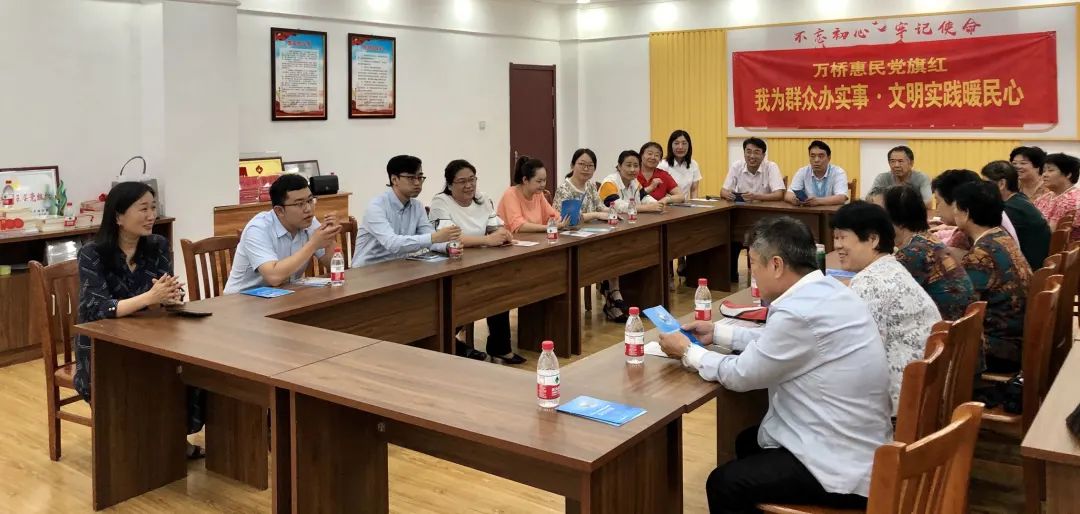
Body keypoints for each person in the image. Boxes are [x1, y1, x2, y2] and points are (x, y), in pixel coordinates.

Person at [658, 216, 891, 513]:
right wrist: (717, 333)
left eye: (754, 264)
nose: (752, 273)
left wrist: (687, 352)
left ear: (777, 265)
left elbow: (742, 374)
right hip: (858, 441)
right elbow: (777, 343)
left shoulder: (798, 312)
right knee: (747, 442)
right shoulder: (829, 291)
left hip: (840, 465)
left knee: (724, 483)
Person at [76, 182, 206, 458]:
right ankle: (134, 450)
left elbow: (163, 290)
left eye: (153, 208)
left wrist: (170, 296)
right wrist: (150, 296)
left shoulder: (157, 245)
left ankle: (172, 438)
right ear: (118, 216)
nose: (151, 216)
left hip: (150, 333)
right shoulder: (92, 253)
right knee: (128, 379)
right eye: (143, 209)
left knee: (191, 369)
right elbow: (100, 307)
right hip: (101, 343)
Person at [832, 201, 942, 415]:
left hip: (900, 404)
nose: (837, 245)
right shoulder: (891, 267)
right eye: (835, 237)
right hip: (924, 392)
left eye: (842, 237)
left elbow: (858, 355)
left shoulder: (869, 282)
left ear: (873, 239)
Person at [429, 159, 521, 363]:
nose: (469, 185)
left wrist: (502, 234)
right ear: (450, 184)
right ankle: (449, 343)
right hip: (452, 263)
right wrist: (487, 240)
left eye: (472, 179)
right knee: (464, 299)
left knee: (499, 286)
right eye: (462, 181)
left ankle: (500, 347)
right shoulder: (441, 202)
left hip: (480, 261)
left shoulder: (482, 199)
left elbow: (495, 227)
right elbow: (448, 238)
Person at [952, 181, 1032, 373]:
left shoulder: (981, 254)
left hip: (1001, 348)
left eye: (955, 208)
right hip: (1017, 335)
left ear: (966, 213)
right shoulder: (1001, 237)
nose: (954, 213)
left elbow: (962, 308)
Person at [224, 174, 342, 294]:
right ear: (279, 211)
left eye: (310, 200)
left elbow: (335, 267)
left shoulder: (309, 222)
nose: (308, 209)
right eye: (299, 204)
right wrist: (313, 244)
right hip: (243, 300)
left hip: (283, 295)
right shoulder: (258, 228)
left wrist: (329, 236)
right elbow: (273, 277)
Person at [883, 185, 975, 321]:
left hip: (941, 327)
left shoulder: (914, 253)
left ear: (898, 221)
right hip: (958, 325)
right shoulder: (929, 240)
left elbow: (883, 294)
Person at [981, 160, 1051, 268]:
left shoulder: (1009, 210)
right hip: (1037, 265)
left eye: (986, 184)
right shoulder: (1019, 200)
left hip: (1029, 269)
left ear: (1001, 184)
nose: (982, 189)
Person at [930, 169, 1019, 253]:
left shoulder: (978, 244)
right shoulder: (991, 222)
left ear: (956, 202)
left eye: (938, 201)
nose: (937, 209)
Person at [497, 156, 570, 233]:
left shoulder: (538, 194)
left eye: (544, 180)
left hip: (535, 239)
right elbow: (519, 226)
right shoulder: (510, 194)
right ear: (525, 180)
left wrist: (562, 220)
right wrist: (549, 227)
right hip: (513, 239)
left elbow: (552, 215)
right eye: (539, 181)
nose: (543, 184)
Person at [552, 148, 608, 225]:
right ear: (572, 166)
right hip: (569, 230)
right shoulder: (564, 189)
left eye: (590, 165)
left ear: (594, 169)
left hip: (591, 229)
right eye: (582, 164)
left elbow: (600, 207)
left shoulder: (591, 185)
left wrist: (613, 211)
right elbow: (571, 218)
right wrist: (596, 215)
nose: (586, 168)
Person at [785, 140, 849, 206]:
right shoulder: (802, 172)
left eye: (821, 156)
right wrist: (794, 199)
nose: (816, 160)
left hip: (833, 212)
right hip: (808, 211)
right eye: (812, 156)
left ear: (829, 158)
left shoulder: (838, 172)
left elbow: (842, 197)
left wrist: (818, 201)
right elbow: (788, 194)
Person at [1033, 152, 1080, 241]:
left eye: (1050, 170)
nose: (1044, 175)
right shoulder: (1043, 198)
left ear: (1068, 174)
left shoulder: (1073, 200)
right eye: (1044, 171)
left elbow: (1050, 234)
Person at [597, 150, 663, 214]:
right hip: (611, 220)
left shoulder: (634, 181)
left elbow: (644, 198)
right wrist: (647, 208)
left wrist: (657, 204)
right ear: (619, 166)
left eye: (636, 166)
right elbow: (617, 207)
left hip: (631, 219)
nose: (632, 169)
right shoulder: (609, 183)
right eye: (628, 165)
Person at [721, 137, 785, 202]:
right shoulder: (737, 166)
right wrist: (728, 195)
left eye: (756, 153)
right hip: (742, 206)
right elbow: (723, 191)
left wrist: (756, 197)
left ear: (763, 155)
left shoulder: (771, 167)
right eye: (748, 152)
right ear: (744, 153)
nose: (752, 156)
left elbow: (779, 195)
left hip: (766, 206)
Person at [867, 146, 932, 207]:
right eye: (892, 161)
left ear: (911, 163)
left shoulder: (921, 178)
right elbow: (868, 199)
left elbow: (928, 202)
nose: (896, 165)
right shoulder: (882, 178)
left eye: (900, 161)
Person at [657, 129, 702, 199]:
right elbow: (659, 192)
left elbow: (694, 190)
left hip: (686, 204)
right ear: (671, 146)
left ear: (689, 146)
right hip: (667, 203)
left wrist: (695, 204)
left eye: (684, 143)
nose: (680, 147)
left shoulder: (693, 164)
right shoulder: (662, 165)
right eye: (676, 143)